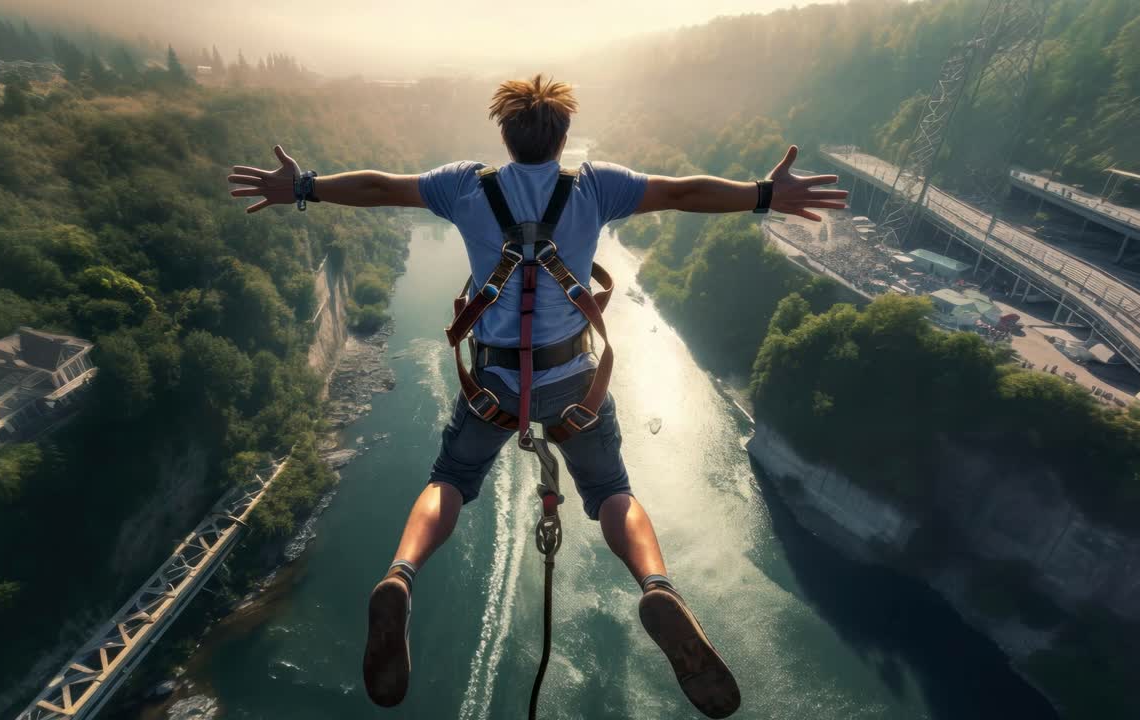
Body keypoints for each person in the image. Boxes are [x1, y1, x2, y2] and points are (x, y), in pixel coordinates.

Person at [228, 74, 846, 719]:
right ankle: (657, 585)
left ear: (504, 133)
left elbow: (383, 186)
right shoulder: (596, 186)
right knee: (611, 492)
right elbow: (682, 191)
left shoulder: (464, 185)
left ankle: (400, 574)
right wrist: (765, 194)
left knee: (453, 477)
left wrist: (303, 187)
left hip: (494, 382)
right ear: (564, 137)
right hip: (571, 382)